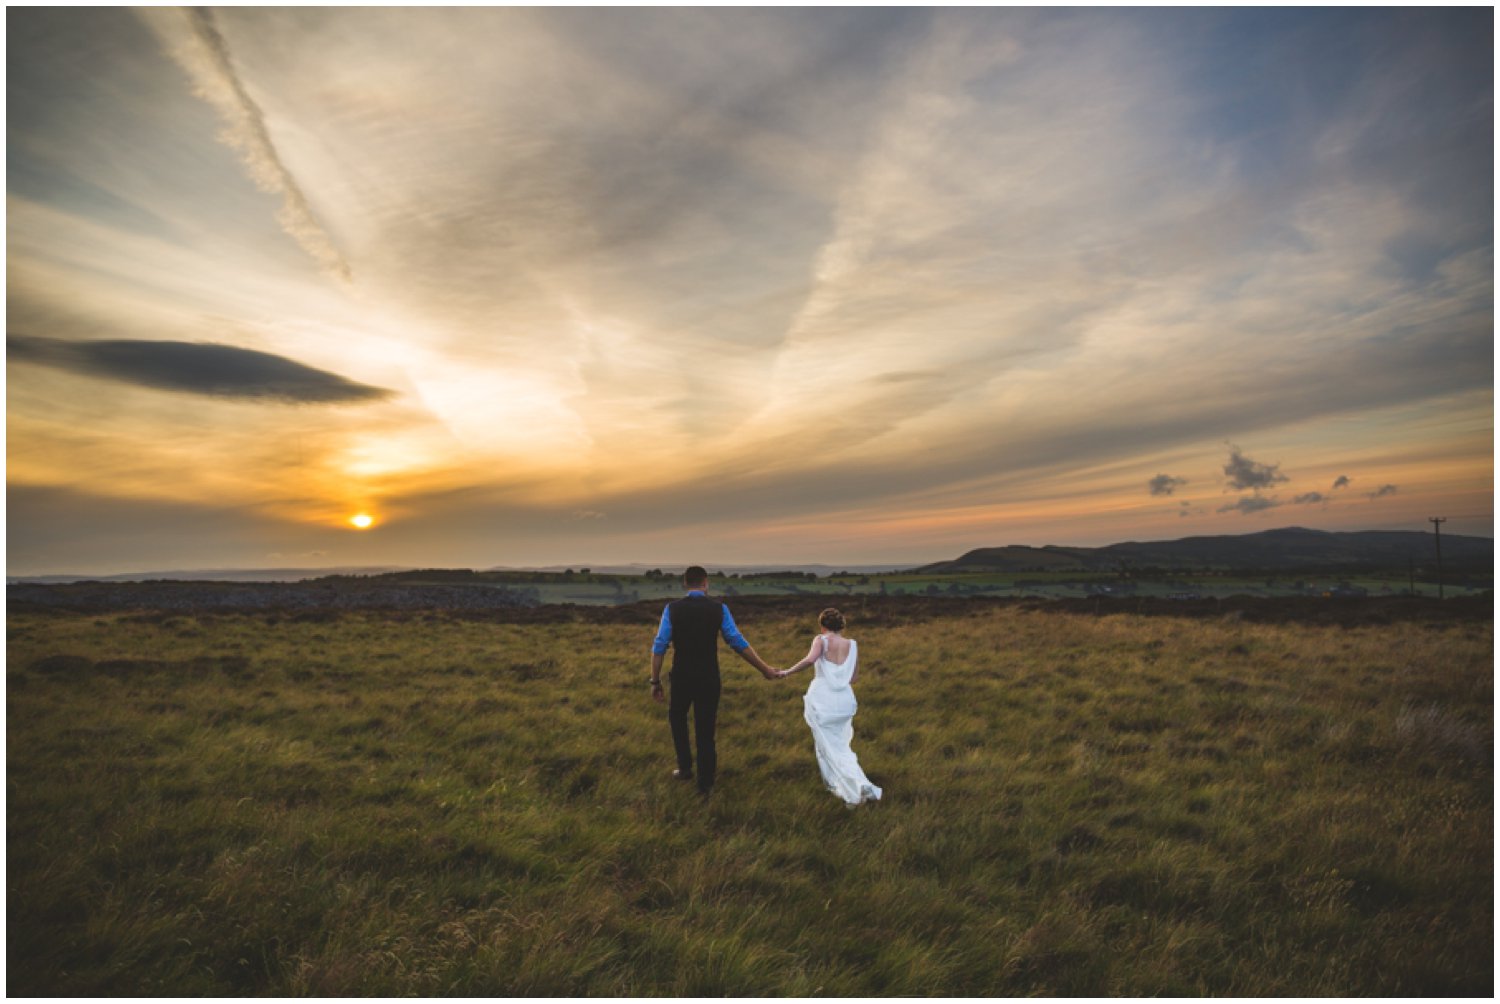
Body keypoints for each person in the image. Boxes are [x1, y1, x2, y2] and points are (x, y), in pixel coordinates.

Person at [649, 566, 778, 796]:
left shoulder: (672, 609)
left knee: (677, 719)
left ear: (685, 584)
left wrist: (655, 681)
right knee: (705, 728)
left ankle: (686, 768)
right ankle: (705, 784)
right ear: (706, 583)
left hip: (681, 677)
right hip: (709, 677)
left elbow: (659, 647)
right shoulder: (719, 609)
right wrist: (764, 669)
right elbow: (737, 642)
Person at [776, 607, 882, 806]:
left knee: (828, 747)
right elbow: (854, 677)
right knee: (841, 746)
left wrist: (787, 672)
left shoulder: (821, 640)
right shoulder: (853, 644)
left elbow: (809, 660)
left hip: (823, 699)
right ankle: (857, 782)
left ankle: (852, 787)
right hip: (844, 700)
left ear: (822, 626)